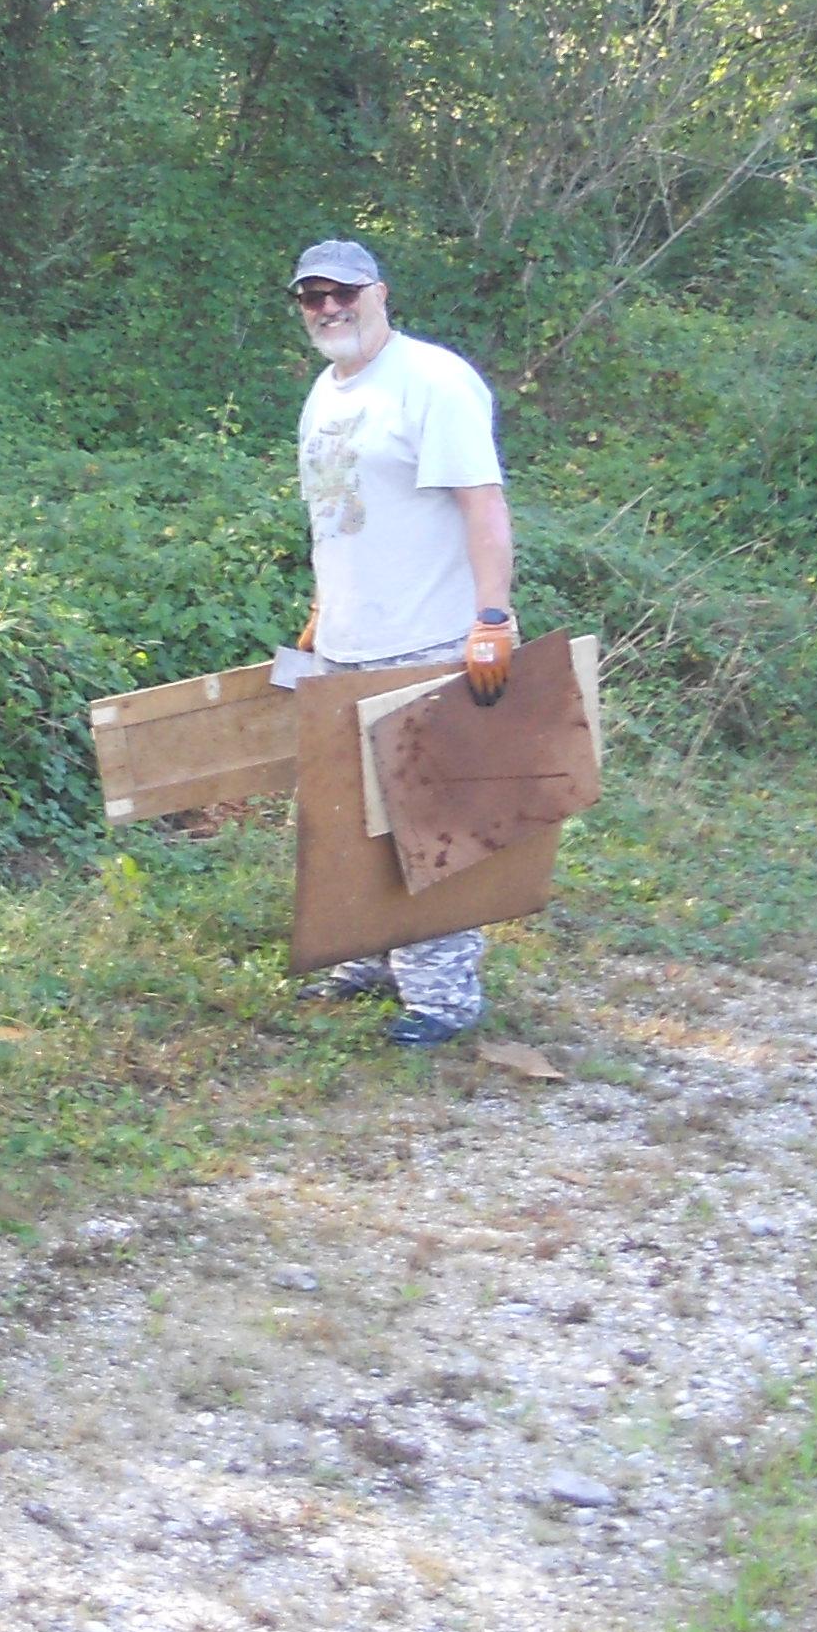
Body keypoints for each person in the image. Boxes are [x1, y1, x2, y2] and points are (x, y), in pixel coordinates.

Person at [284, 237, 519, 1044]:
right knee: (355, 819)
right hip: (347, 645)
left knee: (431, 827)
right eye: (311, 296)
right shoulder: (327, 389)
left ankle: (444, 1003)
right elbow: (343, 514)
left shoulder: (433, 382)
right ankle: (371, 957)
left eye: (341, 293)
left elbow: (482, 505)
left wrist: (491, 620)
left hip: (426, 641)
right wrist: (322, 615)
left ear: (379, 293)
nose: (327, 308)